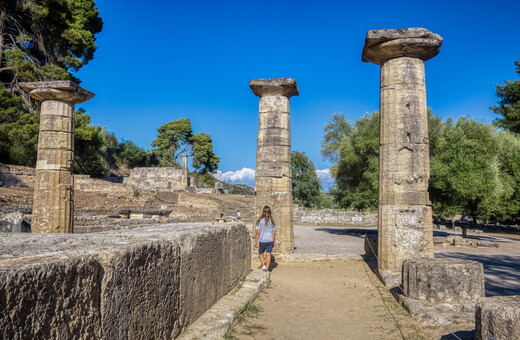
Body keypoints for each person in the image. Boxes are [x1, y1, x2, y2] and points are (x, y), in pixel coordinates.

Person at [254, 205, 276, 272]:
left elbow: (258, 232)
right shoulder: (272, 221)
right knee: (268, 254)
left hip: (262, 240)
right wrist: (274, 241)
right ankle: (267, 269)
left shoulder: (259, 221)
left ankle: (263, 266)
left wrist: (255, 241)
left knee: (261, 253)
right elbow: (274, 233)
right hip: (270, 240)